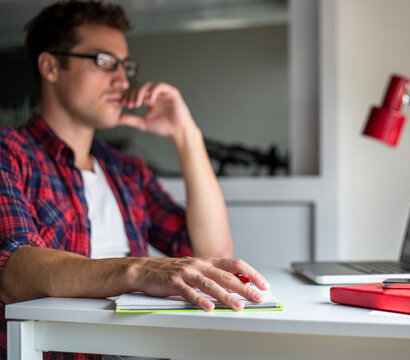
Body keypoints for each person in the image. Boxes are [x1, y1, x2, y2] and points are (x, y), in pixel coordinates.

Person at [0, 1, 270, 358]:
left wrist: (185, 134)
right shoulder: (10, 152)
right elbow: (14, 271)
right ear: (50, 66)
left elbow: (213, 253)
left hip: (135, 349)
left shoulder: (127, 171)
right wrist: (141, 270)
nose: (123, 80)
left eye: (125, 65)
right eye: (103, 61)